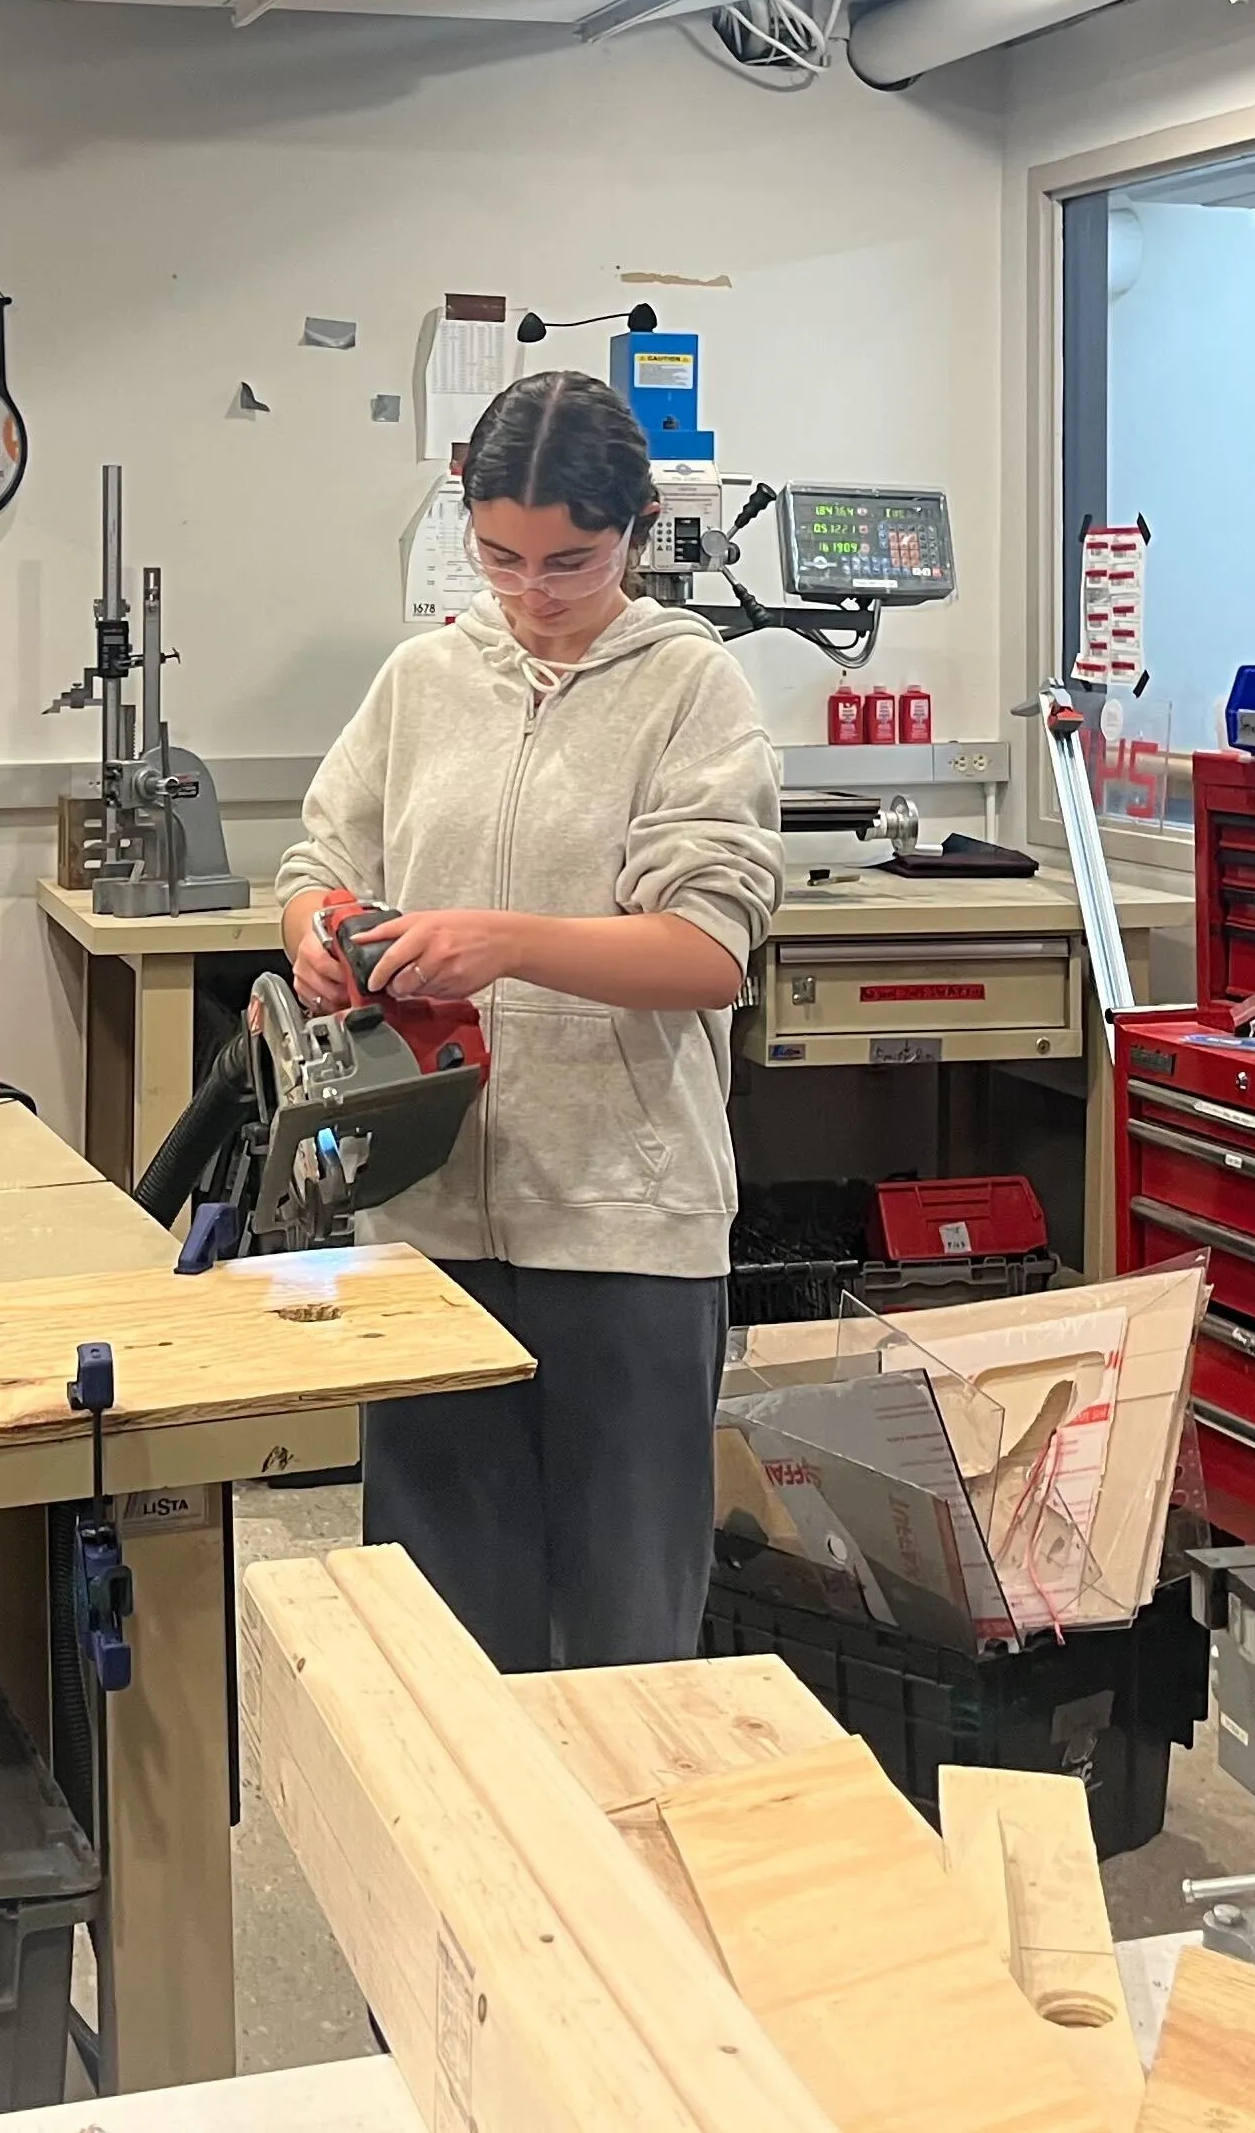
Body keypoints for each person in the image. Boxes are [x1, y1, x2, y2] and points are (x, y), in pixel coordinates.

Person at [279, 370, 780, 1672]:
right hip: (429, 1209)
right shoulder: (423, 679)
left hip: (623, 1226)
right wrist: (321, 938)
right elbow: (315, 860)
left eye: (570, 560)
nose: (533, 592)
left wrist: (500, 941)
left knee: (622, 1641)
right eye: (499, 557)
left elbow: (706, 953)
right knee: (442, 1639)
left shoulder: (691, 691)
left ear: (633, 532)